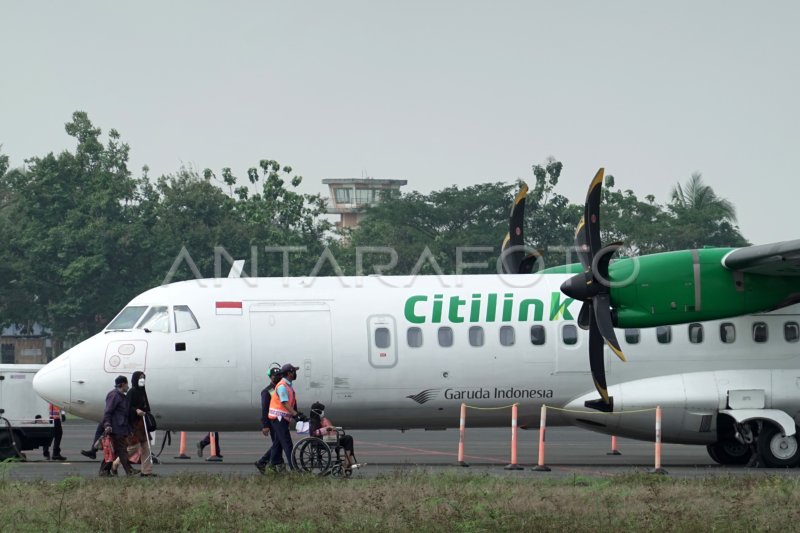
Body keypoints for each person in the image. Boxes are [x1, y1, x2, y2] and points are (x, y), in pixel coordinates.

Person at [268, 363, 304, 470]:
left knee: (278, 444)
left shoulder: (288, 385)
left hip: (282, 418)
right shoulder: (282, 386)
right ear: (289, 373)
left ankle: (267, 464)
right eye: (294, 371)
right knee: (287, 444)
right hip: (279, 418)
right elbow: (284, 403)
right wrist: (295, 414)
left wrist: (296, 414)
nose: (295, 373)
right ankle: (294, 469)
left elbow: (291, 403)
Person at [309, 402, 359, 470]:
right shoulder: (314, 421)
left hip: (327, 439)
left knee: (348, 439)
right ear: (318, 411)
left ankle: (348, 462)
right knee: (348, 438)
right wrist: (327, 428)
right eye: (322, 411)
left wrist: (332, 428)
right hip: (323, 441)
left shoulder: (319, 420)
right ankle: (348, 463)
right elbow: (314, 433)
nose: (323, 412)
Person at [101, 375, 134, 477]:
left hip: (121, 428)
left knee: (114, 451)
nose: (128, 386)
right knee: (122, 450)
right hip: (115, 428)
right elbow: (108, 412)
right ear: (123, 384)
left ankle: (104, 470)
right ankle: (129, 471)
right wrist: (107, 424)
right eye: (127, 384)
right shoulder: (114, 395)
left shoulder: (121, 396)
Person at [255, 367, 283, 474]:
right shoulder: (267, 391)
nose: (278, 377)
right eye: (275, 376)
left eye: (279, 375)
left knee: (278, 443)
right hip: (273, 423)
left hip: (280, 421)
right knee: (278, 443)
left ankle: (275, 463)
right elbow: (265, 409)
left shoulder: (280, 389)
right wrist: (265, 425)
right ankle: (264, 462)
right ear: (270, 377)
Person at [127, 370, 155, 476]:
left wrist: (147, 412)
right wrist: (136, 410)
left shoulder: (143, 391)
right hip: (135, 423)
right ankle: (116, 462)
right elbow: (127, 407)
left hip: (143, 424)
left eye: (143, 377)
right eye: (140, 378)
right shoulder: (132, 391)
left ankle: (146, 471)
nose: (142, 380)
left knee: (146, 447)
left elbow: (146, 406)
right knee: (133, 447)